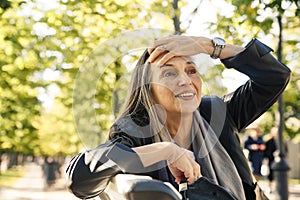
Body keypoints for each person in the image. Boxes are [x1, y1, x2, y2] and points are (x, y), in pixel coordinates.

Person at [65, 35, 290, 200]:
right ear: (148, 90)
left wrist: (210, 47)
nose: (185, 80)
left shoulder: (217, 112)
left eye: (191, 70)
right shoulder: (134, 130)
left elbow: (275, 77)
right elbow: (79, 180)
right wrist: (166, 151)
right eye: (169, 73)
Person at [264, 127, 278, 192]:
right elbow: (266, 152)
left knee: (279, 176)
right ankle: (270, 188)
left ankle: (278, 188)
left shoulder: (282, 142)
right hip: (271, 160)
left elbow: (286, 151)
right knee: (271, 175)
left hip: (279, 161)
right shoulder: (268, 142)